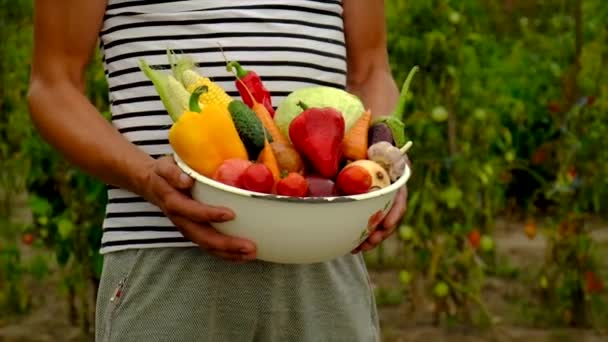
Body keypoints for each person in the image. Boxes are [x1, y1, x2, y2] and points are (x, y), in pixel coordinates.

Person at [28, 0, 408, 341]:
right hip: (165, 255)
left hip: (326, 253)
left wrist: (382, 164)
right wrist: (147, 177)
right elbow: (53, 86)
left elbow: (372, 70)